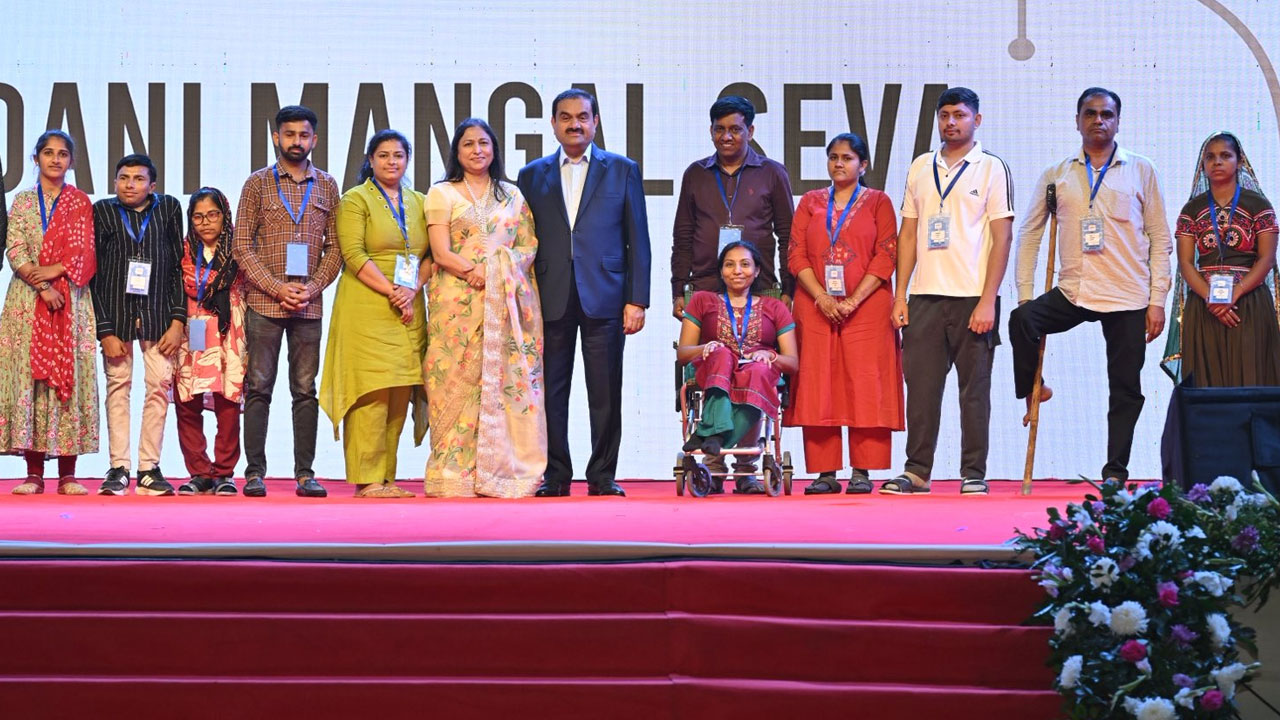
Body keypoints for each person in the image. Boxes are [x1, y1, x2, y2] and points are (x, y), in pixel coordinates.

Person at [1011, 87, 1171, 482]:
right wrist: (1026, 294)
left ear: (1118, 121)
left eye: (1106, 114)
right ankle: (1035, 388)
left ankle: (1115, 471)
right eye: (1090, 113)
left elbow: (1159, 237)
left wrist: (1157, 300)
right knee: (1022, 320)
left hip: (1128, 295)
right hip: (1075, 290)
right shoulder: (1057, 174)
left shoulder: (1141, 169)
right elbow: (1029, 234)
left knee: (1125, 388)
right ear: (1077, 121)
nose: (1098, 120)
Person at [516, 88, 651, 497]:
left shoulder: (622, 170)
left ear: (595, 122)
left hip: (606, 295)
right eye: (566, 117)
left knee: (605, 392)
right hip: (549, 295)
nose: (574, 124)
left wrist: (637, 299)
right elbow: (523, 240)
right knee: (551, 392)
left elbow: (638, 239)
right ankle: (556, 475)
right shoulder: (531, 175)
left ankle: (602, 475)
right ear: (553, 123)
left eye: (582, 117)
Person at [884, 87, 1014, 496]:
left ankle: (973, 471)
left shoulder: (991, 167)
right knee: (921, 391)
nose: (951, 122)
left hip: (973, 297)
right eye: (945, 116)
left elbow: (1003, 237)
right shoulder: (921, 167)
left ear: (977, 119)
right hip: (924, 296)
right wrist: (900, 295)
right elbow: (908, 234)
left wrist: (988, 300)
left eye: (960, 115)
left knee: (974, 392)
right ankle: (916, 471)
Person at [671, 94, 795, 483]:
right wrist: (678, 288)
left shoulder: (771, 173)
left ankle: (745, 466)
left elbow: (787, 233)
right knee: (716, 360)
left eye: (735, 129)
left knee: (756, 370)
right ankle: (713, 465)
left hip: (761, 288)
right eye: (719, 129)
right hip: (706, 289)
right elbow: (683, 235)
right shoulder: (696, 174)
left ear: (750, 131)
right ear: (711, 131)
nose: (727, 136)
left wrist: (788, 289)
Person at [423, 118, 546, 497]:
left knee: (502, 383)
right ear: (456, 152)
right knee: (450, 379)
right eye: (468, 144)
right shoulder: (442, 193)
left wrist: (497, 271)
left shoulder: (513, 195)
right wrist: (475, 271)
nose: (477, 150)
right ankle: (452, 472)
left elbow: (527, 247)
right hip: (455, 304)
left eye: (484, 143)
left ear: (494, 149)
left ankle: (499, 471)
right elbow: (440, 252)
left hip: (504, 305)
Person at [232, 105, 342, 498]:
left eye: (304, 135)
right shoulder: (257, 184)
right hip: (265, 304)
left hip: (308, 307)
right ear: (276, 137)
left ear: (314, 140)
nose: (297, 141)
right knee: (258, 387)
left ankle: (305, 473)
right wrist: (277, 288)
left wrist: (312, 287)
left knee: (305, 389)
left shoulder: (327, 185)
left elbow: (336, 248)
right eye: (289, 134)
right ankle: (254, 473)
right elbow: (242, 246)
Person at [785, 133, 903, 495]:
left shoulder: (879, 202)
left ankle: (862, 471)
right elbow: (795, 254)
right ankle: (825, 473)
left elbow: (886, 255)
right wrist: (822, 297)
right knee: (818, 382)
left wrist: (853, 300)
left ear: (863, 165)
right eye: (833, 157)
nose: (839, 163)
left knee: (866, 382)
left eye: (847, 158)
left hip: (868, 307)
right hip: (815, 307)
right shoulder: (810, 202)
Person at [320, 129, 431, 498]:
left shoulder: (419, 201)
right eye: (383, 155)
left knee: (400, 391)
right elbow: (353, 255)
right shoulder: (356, 199)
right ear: (370, 160)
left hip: (408, 307)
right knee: (371, 393)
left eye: (398, 155)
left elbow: (431, 256)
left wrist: (411, 290)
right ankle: (366, 479)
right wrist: (392, 291)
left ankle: (386, 478)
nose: (391, 161)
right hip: (367, 304)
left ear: (407, 159)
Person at [0, 130, 98, 495]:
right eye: (48, 153)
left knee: (67, 379)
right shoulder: (23, 201)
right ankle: (34, 473)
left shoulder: (80, 202)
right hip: (28, 302)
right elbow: (14, 247)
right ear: (36, 158)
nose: (55, 159)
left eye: (62, 154)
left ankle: (68, 474)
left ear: (71, 161)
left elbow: (83, 252)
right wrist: (42, 285)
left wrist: (53, 275)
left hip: (70, 300)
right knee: (32, 381)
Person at [90, 153, 185, 496]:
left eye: (139, 179)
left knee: (159, 387)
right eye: (124, 178)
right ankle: (119, 467)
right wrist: (104, 329)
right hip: (116, 316)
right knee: (118, 387)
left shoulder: (169, 208)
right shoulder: (102, 211)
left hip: (159, 315)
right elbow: (93, 275)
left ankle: (148, 468)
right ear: (115, 182)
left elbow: (179, 267)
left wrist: (178, 320)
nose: (130, 185)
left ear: (152, 185)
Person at [677, 241, 798, 494]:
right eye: (729, 265)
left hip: (756, 372)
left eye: (745, 264)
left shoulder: (774, 307)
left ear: (757, 270)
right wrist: (706, 347)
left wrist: (770, 355)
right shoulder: (702, 301)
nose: (737, 271)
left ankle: (724, 448)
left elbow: (792, 362)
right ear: (721, 271)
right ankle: (714, 463)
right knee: (722, 353)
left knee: (758, 371)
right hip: (714, 367)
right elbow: (684, 353)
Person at [1163, 131, 1278, 387]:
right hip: (1204, 305)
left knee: (1252, 380)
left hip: (1248, 303)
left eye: (1225, 155)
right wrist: (1211, 298)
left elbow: (1267, 259)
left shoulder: (1259, 205)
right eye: (1210, 157)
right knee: (1207, 385)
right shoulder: (1191, 209)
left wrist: (1235, 293)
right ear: (1202, 164)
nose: (1217, 162)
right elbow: (1185, 263)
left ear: (1239, 161)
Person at [172, 187, 247, 496]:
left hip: (229, 328)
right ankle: (199, 472)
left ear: (224, 216)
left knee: (227, 400)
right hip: (190, 328)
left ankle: (224, 472)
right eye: (198, 216)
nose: (205, 223)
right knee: (187, 400)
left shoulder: (239, 249)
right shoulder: (181, 250)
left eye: (212, 215)